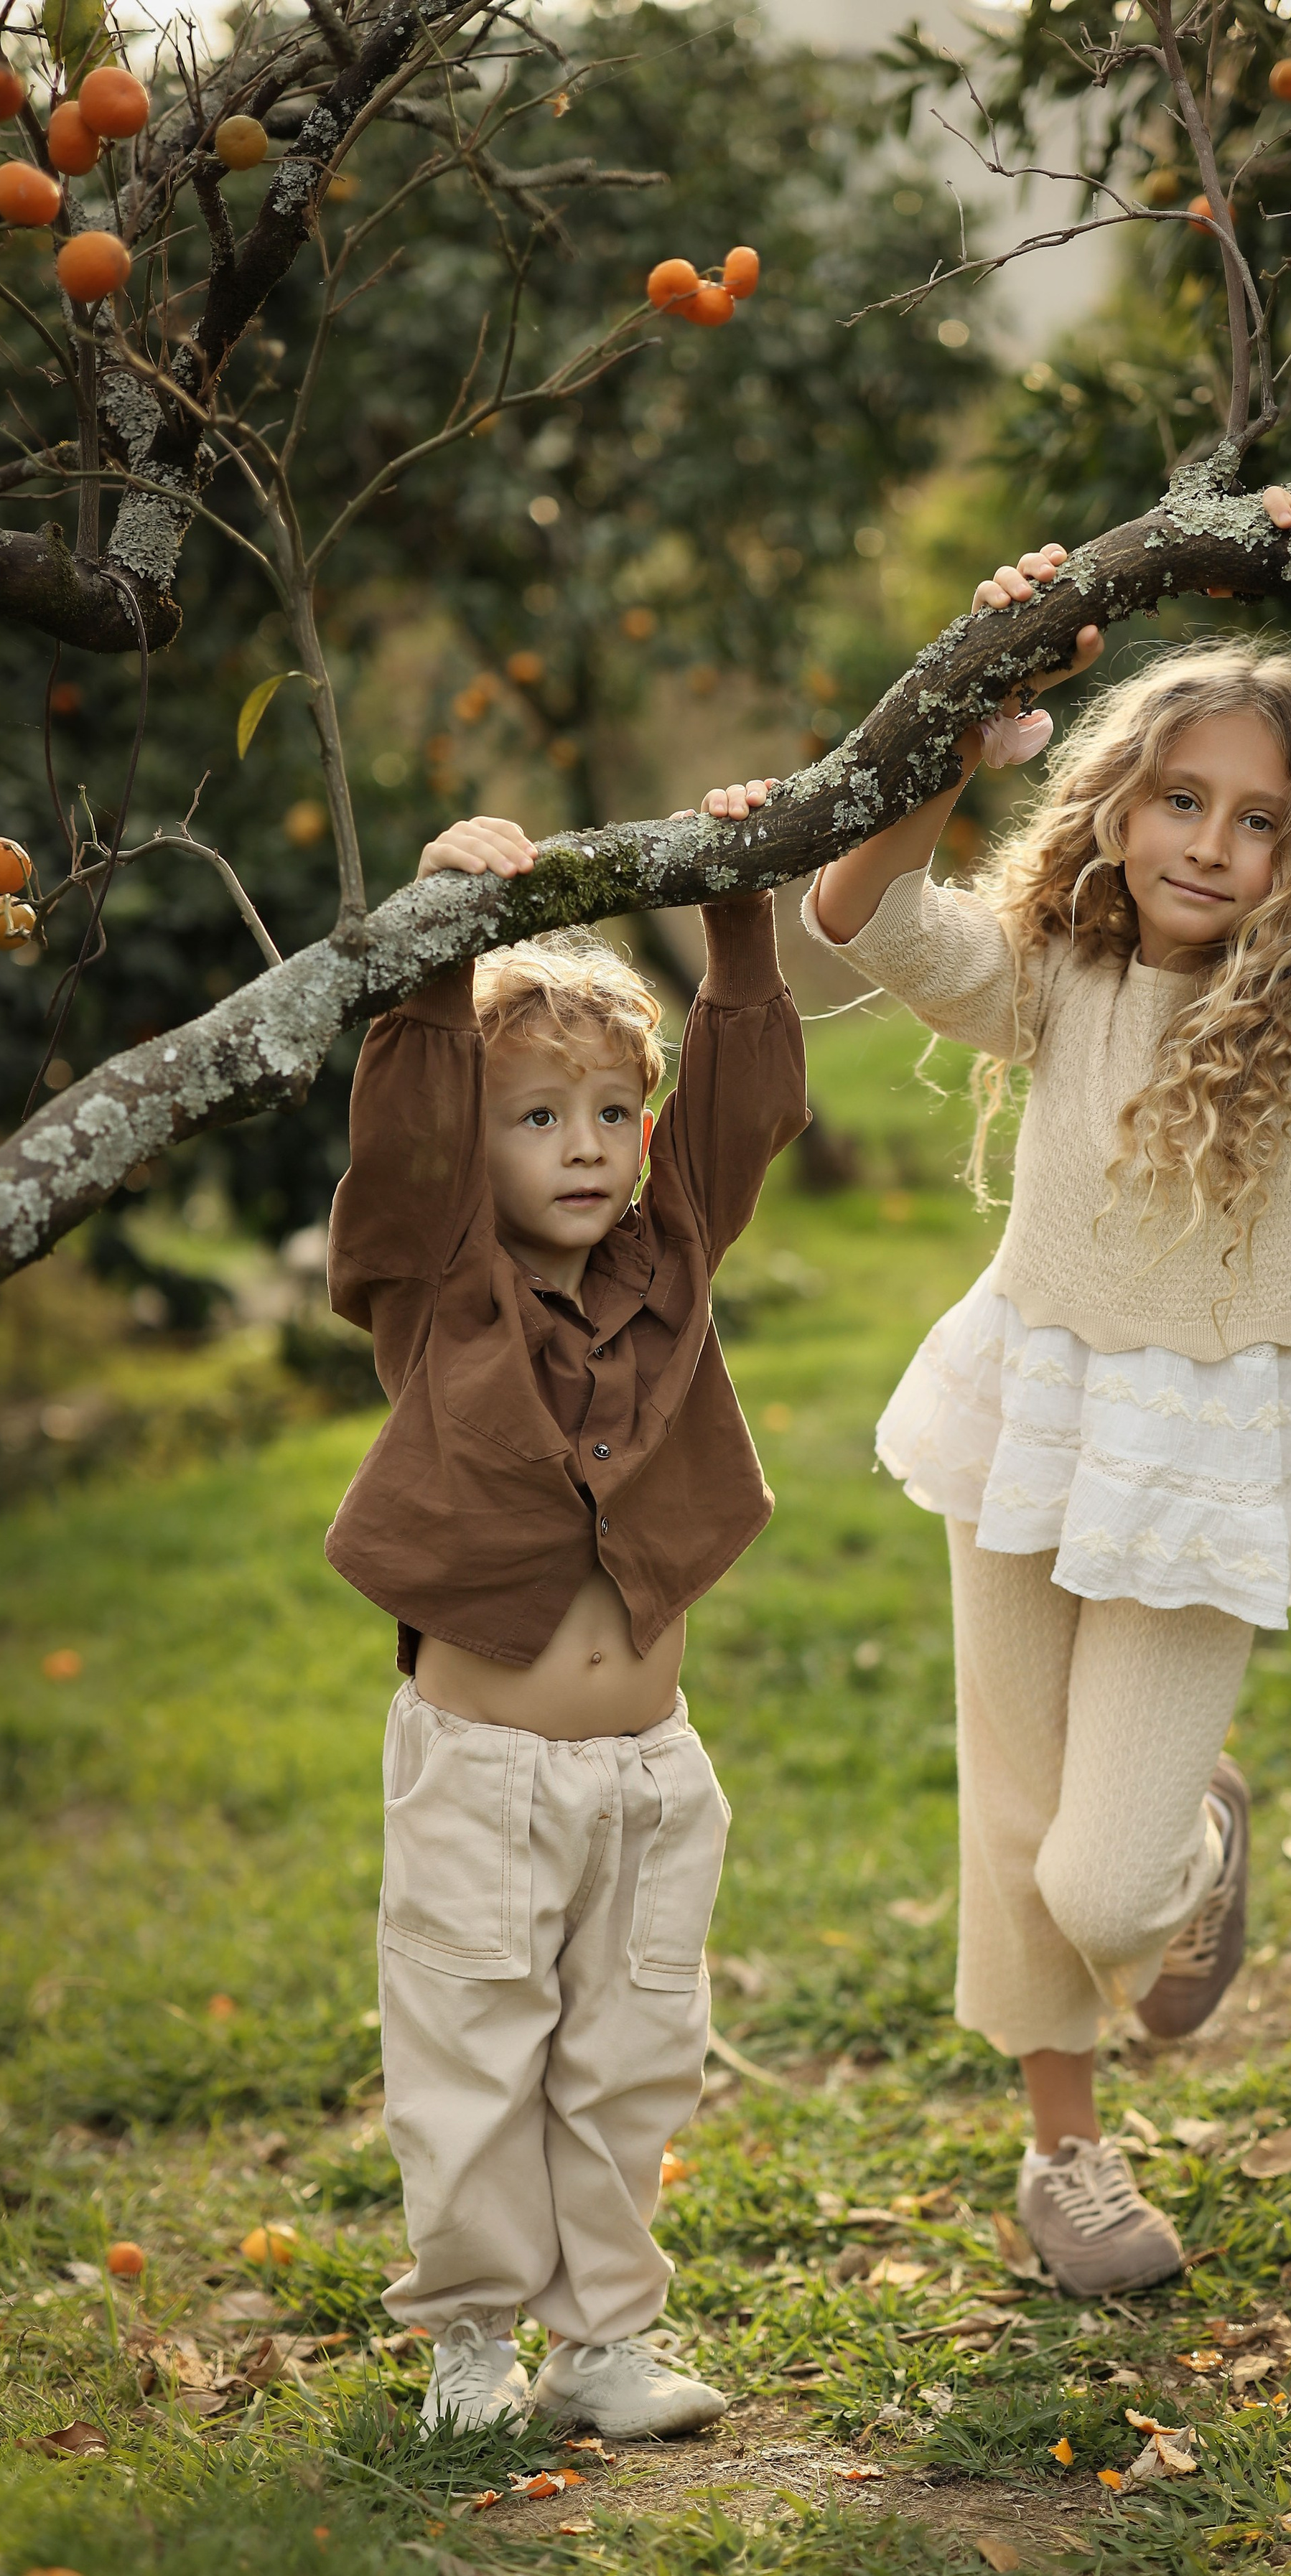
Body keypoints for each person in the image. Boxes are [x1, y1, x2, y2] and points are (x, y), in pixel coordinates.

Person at [699, 482, 1291, 2298]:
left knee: (1105, 1886)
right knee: (1015, 1817)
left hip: (1200, 1462)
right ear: (1116, 801)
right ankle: (1062, 2155)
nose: (1212, 846)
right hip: (1022, 1417)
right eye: (1178, 798)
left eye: (1257, 821)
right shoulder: (1058, 976)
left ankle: (1191, 1831)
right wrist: (976, 697)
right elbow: (858, 904)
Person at [324, 825, 806, 2434]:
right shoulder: (435, 1281)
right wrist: (443, 944)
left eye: (611, 1113)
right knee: (472, 2056)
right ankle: (471, 2335)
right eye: (535, 1120)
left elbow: (737, 1120)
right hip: (483, 1773)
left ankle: (603, 2346)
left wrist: (737, 928)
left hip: (652, 1780)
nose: (586, 1148)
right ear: (477, 1145)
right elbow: (398, 1148)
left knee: (629, 2065)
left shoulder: (665, 1262)